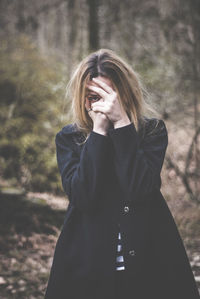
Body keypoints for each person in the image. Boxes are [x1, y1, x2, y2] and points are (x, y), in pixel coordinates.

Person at [44, 49, 200, 299]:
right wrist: (99, 133)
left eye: (111, 97)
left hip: (149, 263)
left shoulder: (151, 131)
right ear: (83, 98)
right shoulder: (69, 138)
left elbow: (139, 188)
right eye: (94, 96)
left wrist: (122, 125)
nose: (103, 105)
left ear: (125, 94)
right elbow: (83, 196)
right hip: (88, 268)